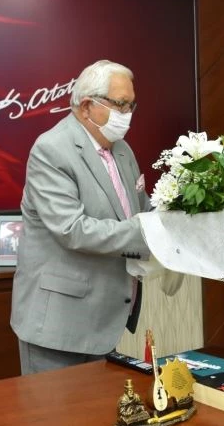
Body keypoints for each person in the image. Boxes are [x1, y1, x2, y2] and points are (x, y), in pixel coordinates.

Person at [11, 60, 150, 375]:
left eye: (132, 105)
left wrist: (181, 213)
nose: (128, 114)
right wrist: (150, 232)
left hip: (105, 318)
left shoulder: (122, 150)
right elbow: (73, 230)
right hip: (59, 324)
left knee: (101, 408)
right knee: (54, 410)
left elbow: (139, 210)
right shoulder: (52, 149)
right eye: (120, 104)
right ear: (87, 106)